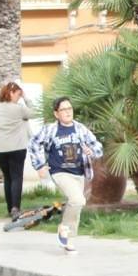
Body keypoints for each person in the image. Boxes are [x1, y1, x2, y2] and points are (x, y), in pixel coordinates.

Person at [29, 96, 103, 253]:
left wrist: (92, 151)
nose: (68, 112)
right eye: (64, 109)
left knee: (76, 204)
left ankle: (69, 240)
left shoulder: (80, 129)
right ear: (56, 114)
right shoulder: (50, 130)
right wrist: (39, 165)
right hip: (60, 172)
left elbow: (97, 146)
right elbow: (34, 142)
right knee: (78, 200)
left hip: (79, 172)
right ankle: (65, 229)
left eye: (70, 109)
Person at [0, 80, 33, 219]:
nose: (19, 98)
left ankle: (9, 207)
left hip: (0, 149)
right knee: (17, 177)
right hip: (17, 147)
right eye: (18, 94)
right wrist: (26, 98)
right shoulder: (19, 108)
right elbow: (34, 112)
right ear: (11, 93)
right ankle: (15, 208)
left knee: (8, 177)